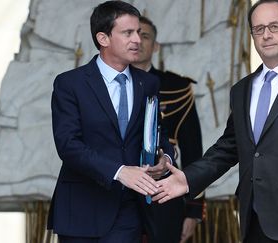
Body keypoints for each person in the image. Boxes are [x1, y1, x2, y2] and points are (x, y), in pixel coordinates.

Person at [152, 1, 278, 243]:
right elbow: (228, 148)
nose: (266, 35)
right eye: (258, 29)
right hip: (253, 216)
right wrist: (187, 179)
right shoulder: (242, 89)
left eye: (274, 26)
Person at [47, 1, 174, 242]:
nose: (137, 39)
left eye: (138, 32)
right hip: (81, 210)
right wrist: (119, 172)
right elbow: (68, 144)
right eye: (128, 33)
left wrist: (164, 160)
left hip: (129, 210)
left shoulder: (148, 83)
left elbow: (158, 133)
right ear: (103, 38)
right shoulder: (70, 84)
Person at [132, 16, 205, 243]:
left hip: (164, 190)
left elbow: (193, 151)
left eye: (145, 36)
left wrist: (193, 210)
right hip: (117, 191)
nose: (138, 40)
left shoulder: (177, 87)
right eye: (131, 33)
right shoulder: (106, 85)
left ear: (155, 46)